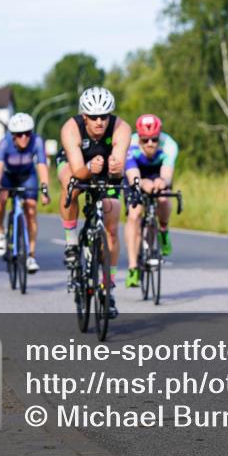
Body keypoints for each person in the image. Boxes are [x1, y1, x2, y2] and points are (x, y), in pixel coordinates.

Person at [56, 87, 131, 318]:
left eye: (104, 116)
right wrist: (89, 169)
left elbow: (118, 172)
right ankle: (70, 242)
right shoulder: (71, 128)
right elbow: (78, 170)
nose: (100, 122)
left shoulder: (121, 128)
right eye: (94, 117)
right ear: (84, 116)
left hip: (106, 169)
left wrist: (117, 170)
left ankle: (108, 288)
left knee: (111, 223)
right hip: (77, 165)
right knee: (71, 184)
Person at [123, 114, 179, 288]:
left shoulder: (169, 145)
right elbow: (132, 174)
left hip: (157, 172)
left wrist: (162, 182)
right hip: (136, 174)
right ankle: (133, 267)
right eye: (145, 139)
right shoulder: (129, 145)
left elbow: (167, 173)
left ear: (159, 136)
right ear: (138, 137)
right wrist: (142, 184)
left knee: (163, 197)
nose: (150, 144)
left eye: (154, 139)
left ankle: (163, 230)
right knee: (135, 214)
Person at [0, 112, 50, 273]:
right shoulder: (5, 143)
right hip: (8, 176)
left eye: (27, 133)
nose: (24, 137)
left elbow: (42, 166)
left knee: (31, 209)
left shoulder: (37, 141)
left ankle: (31, 256)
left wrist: (45, 190)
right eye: (19, 134)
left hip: (27, 176)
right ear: (13, 135)